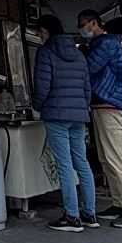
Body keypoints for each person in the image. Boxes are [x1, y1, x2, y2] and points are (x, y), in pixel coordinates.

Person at [30, 13, 96, 231]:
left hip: (56, 114)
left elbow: (42, 85)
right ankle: (90, 213)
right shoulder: (78, 55)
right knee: (82, 162)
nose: (39, 36)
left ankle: (71, 216)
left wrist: (37, 106)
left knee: (64, 165)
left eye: (39, 32)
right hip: (78, 116)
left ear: (45, 31)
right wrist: (81, 109)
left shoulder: (46, 52)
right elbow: (87, 88)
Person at [78, 9, 122, 228]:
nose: (81, 29)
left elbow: (89, 68)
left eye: (82, 24)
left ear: (93, 23)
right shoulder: (101, 44)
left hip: (110, 104)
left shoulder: (105, 44)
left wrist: (80, 53)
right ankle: (119, 203)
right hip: (101, 104)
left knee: (118, 157)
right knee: (107, 157)